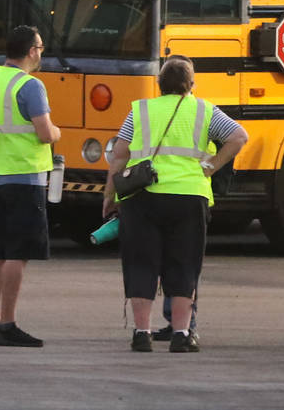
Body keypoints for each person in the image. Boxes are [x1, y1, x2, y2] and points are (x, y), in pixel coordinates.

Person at [104, 55, 247, 353]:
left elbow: (119, 155)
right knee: (184, 264)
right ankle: (182, 334)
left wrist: (109, 196)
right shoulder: (204, 110)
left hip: (142, 196)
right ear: (191, 85)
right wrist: (211, 165)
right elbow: (238, 136)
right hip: (189, 196)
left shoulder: (140, 110)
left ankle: (141, 333)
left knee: (142, 264)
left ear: (158, 85)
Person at [0, 25, 60, 348]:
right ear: (32, 51)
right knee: (18, 253)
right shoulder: (30, 86)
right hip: (25, 177)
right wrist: (57, 133)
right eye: (40, 48)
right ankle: (9, 324)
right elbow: (43, 132)